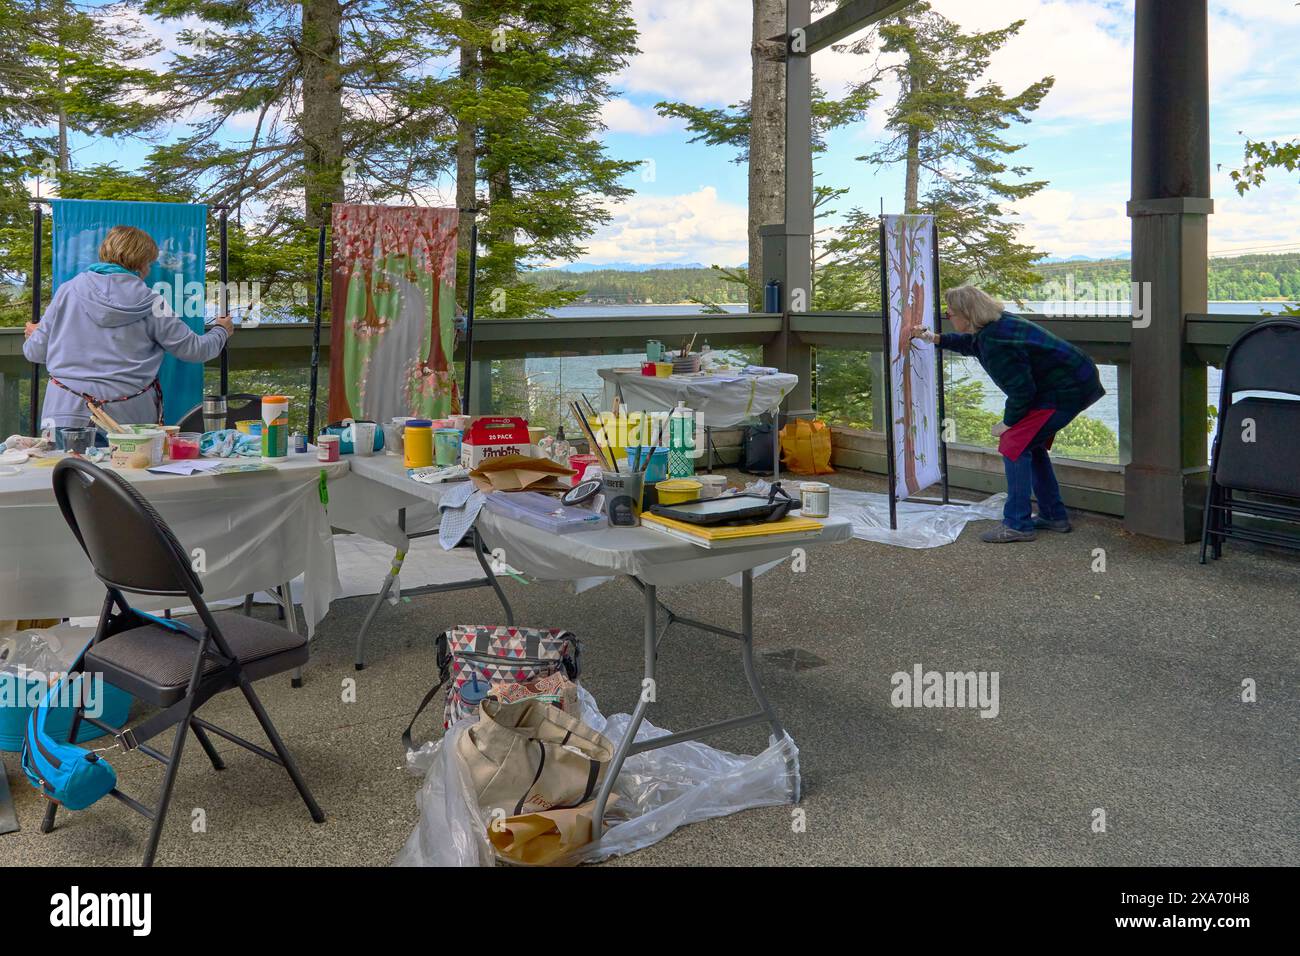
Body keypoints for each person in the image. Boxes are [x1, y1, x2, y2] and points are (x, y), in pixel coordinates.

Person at [913, 285, 1104, 543]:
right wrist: (934, 338)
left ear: (967, 314)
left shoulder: (996, 341)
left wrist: (1007, 423)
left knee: (1013, 443)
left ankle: (1017, 524)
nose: (948, 316)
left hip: (1065, 391)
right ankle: (1053, 515)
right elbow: (972, 343)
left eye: (950, 314)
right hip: (1075, 382)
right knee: (1030, 444)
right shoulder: (997, 325)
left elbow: (1021, 391)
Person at [23, 225, 233, 431]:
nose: (149, 270)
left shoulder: (66, 292)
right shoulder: (153, 303)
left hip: (64, 414)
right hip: (129, 424)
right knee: (125, 468)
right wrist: (221, 330)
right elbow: (196, 350)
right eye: (149, 264)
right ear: (142, 264)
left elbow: (35, 352)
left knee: (69, 467)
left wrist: (37, 334)